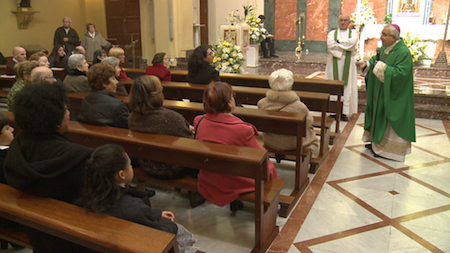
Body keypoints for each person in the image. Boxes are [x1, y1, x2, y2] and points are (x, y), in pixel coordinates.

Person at [4, 82, 93, 253]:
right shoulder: (79, 157)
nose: (68, 113)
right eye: (66, 109)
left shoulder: (19, 143)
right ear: (54, 117)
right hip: (72, 235)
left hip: (35, 230)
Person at [76, 144, 199, 253]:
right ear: (121, 175)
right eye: (129, 165)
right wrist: (171, 225)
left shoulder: (87, 195)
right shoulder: (135, 207)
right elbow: (161, 234)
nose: (131, 168)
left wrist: (156, 214)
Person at [194, 81, 279, 211]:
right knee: (269, 167)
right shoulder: (241, 129)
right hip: (230, 180)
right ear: (228, 102)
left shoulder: (198, 121)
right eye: (232, 96)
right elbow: (261, 157)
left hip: (209, 176)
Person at [359, 24, 415, 162]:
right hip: (380, 92)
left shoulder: (403, 53)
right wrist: (368, 65)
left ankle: (389, 151)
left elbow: (400, 75)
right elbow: (375, 62)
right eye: (381, 34)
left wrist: (380, 67)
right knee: (377, 113)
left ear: (394, 37)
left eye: (384, 35)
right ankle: (375, 142)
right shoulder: (384, 49)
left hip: (394, 95)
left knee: (390, 118)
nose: (381, 37)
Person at [257, 68, 319, 156]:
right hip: (293, 144)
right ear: (290, 86)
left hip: (271, 141)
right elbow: (309, 123)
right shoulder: (299, 106)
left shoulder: (262, 103)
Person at [324, 14, 358, 122]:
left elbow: (352, 44)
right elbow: (330, 45)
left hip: (348, 63)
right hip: (334, 61)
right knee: (333, 85)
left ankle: (344, 112)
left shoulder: (353, 33)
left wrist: (337, 43)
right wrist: (344, 46)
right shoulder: (331, 33)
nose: (343, 22)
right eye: (341, 20)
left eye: (345, 20)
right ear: (338, 21)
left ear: (349, 22)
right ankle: (334, 111)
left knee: (347, 86)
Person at [78, 62, 129, 128]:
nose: (117, 82)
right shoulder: (118, 105)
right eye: (113, 78)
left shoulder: (86, 99)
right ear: (104, 83)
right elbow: (128, 127)